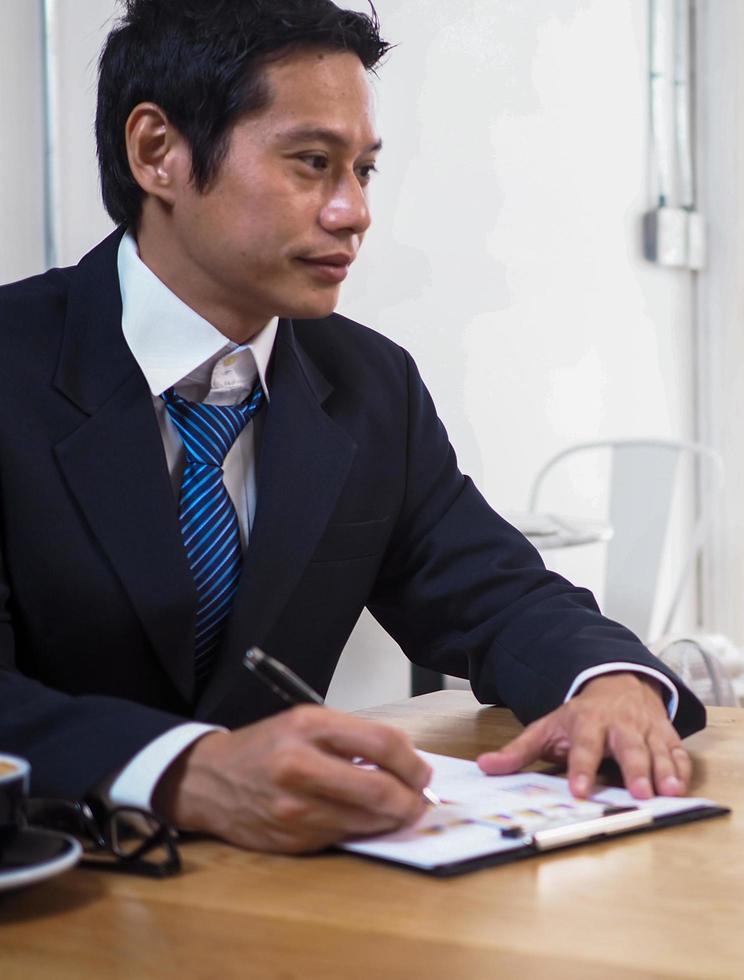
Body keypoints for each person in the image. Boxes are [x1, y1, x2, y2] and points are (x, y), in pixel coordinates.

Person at [0, 0, 704, 855]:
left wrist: (611, 679)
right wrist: (188, 769)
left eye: (363, 170)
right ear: (159, 153)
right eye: (311, 163)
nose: (352, 212)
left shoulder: (369, 383)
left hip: (283, 896)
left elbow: (492, 591)